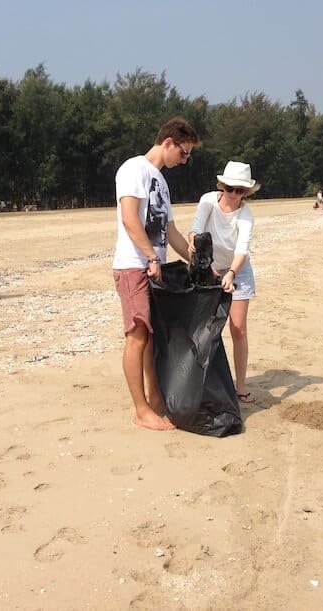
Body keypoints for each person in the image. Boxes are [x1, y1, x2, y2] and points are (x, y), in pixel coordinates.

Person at [113, 117, 198, 431]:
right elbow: (129, 218)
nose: (185, 160)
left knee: (151, 338)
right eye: (184, 153)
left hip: (153, 267)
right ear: (169, 143)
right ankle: (141, 410)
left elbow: (171, 232)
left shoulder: (160, 181)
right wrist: (150, 256)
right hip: (133, 265)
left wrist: (196, 261)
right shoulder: (134, 169)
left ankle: (156, 400)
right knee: (137, 336)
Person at [188, 161, 260, 404]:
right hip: (207, 266)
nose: (234, 195)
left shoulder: (246, 214)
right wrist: (207, 265)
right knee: (205, 329)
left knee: (238, 329)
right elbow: (196, 233)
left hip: (237, 271)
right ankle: (201, 381)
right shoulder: (208, 201)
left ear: (246, 192)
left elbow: (242, 250)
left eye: (240, 191)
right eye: (230, 188)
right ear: (222, 186)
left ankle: (240, 385)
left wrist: (230, 274)